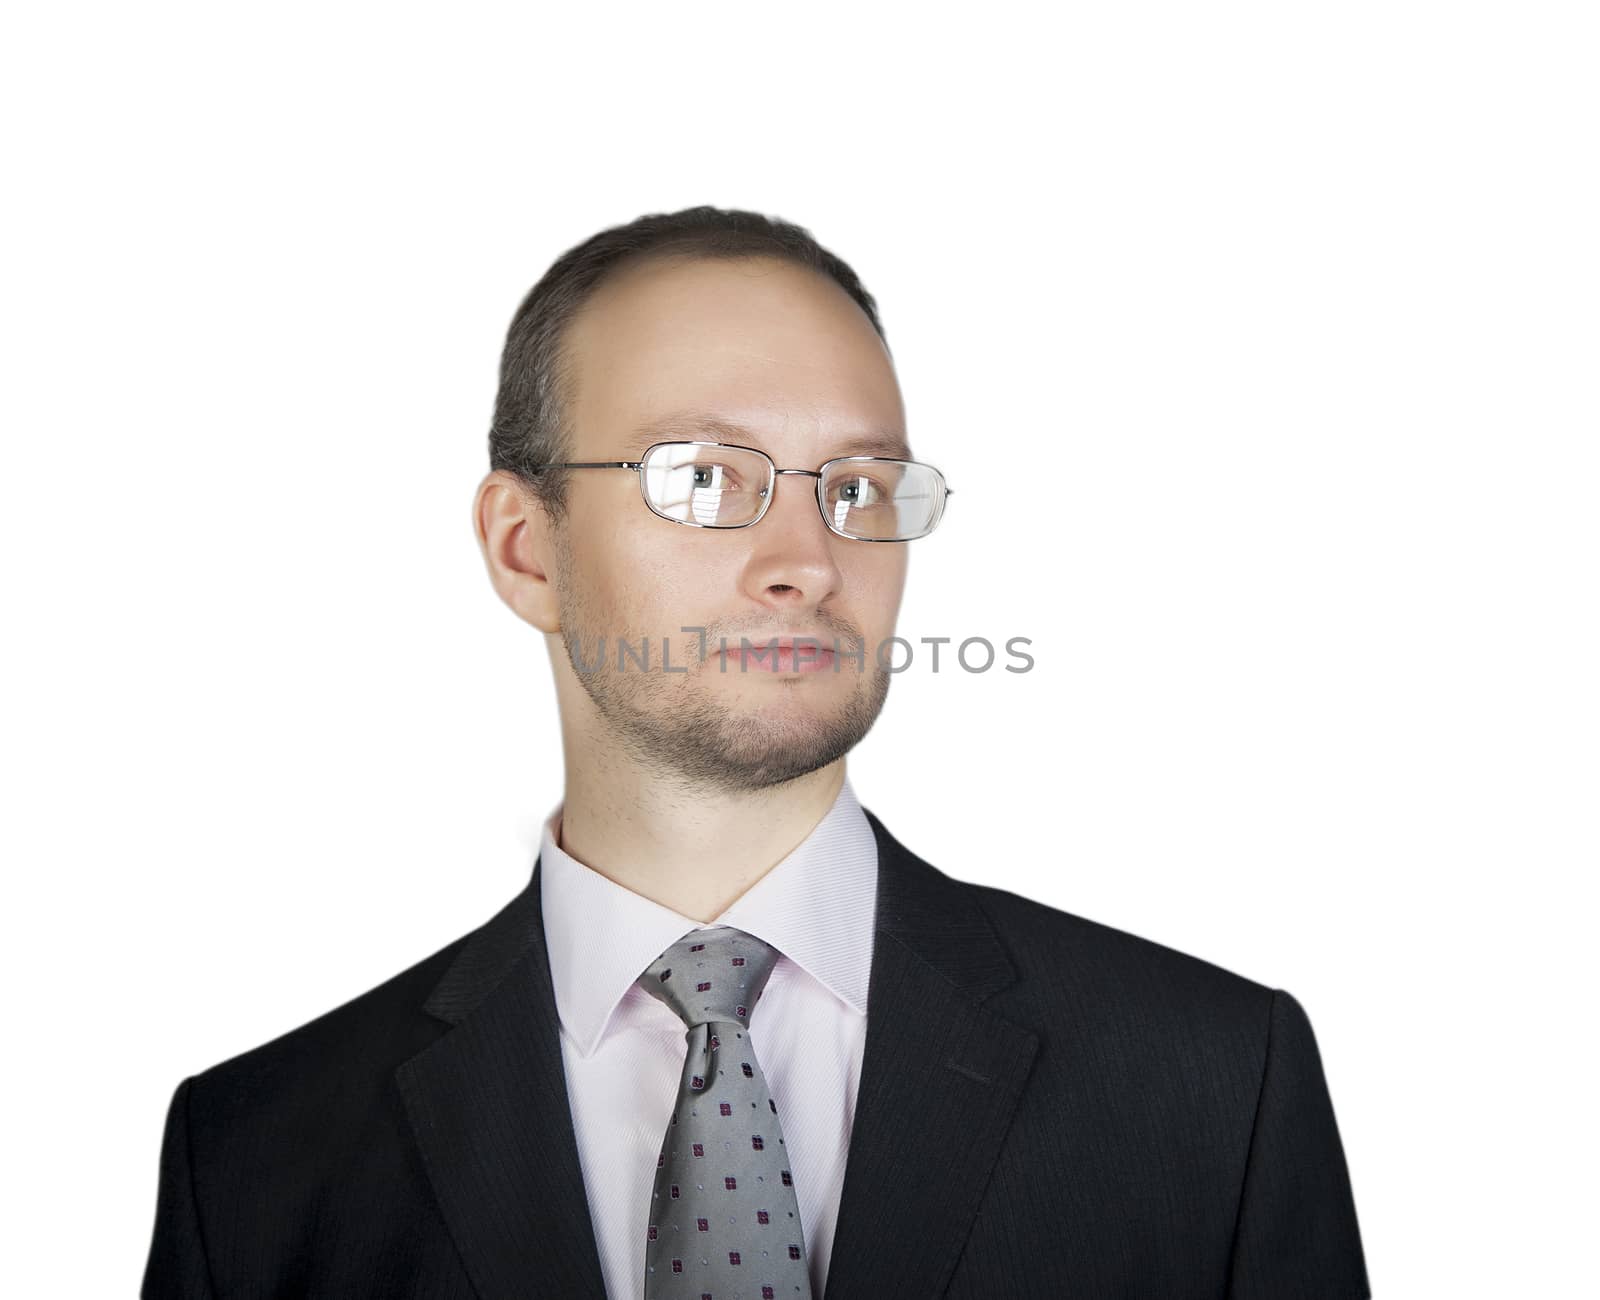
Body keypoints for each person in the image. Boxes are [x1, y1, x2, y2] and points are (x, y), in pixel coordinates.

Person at [142, 205, 1370, 1299]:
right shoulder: (254, 1158)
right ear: (527, 548)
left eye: (859, 484)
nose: (809, 558)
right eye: (702, 475)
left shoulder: (1212, 1090)